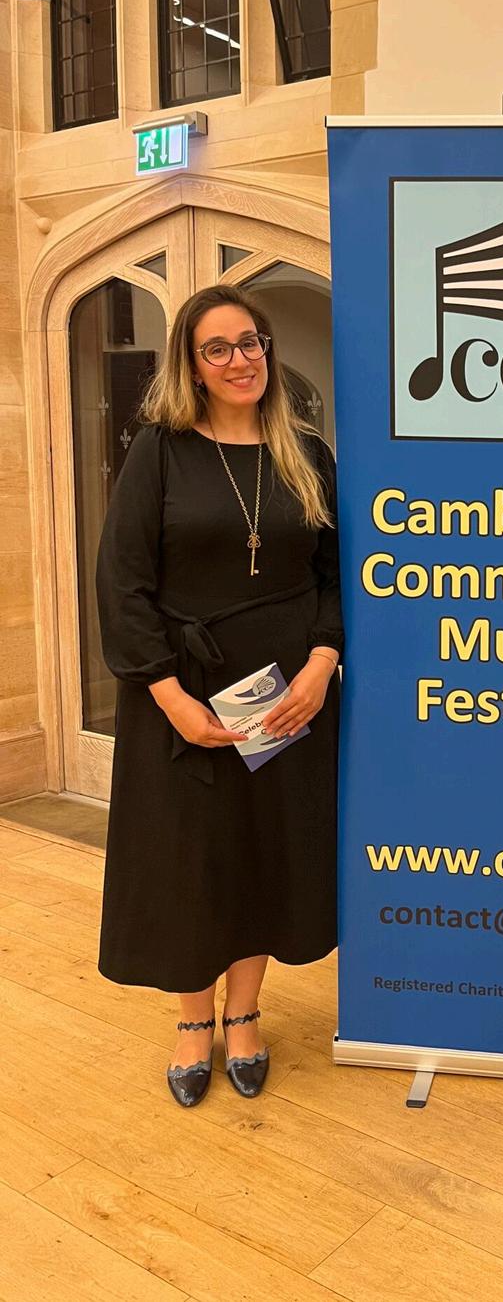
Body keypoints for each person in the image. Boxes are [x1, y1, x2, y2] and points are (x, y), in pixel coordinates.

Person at [96, 283, 343, 1107]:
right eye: (219, 348)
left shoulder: (307, 453)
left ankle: (245, 1015)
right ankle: (192, 1021)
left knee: (261, 852)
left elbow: (335, 576)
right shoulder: (159, 451)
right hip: (183, 689)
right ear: (192, 365)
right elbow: (122, 583)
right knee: (190, 859)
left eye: (251, 342)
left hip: (284, 695)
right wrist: (169, 696)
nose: (241, 360)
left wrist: (320, 667)